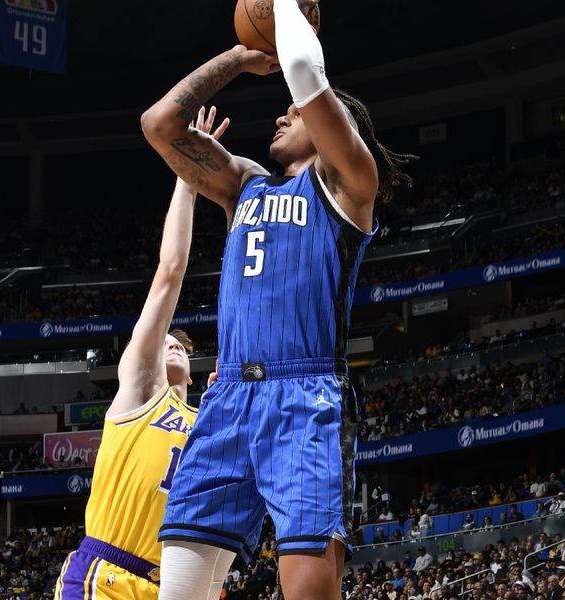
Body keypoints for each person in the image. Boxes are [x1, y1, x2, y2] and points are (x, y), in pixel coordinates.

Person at [140, 1, 414, 599]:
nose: (283, 115)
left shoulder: (349, 185)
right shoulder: (243, 184)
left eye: (299, 112)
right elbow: (158, 124)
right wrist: (238, 58)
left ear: (337, 127)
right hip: (228, 396)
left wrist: (284, 6)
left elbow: (301, 67)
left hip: (305, 399)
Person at [53, 109, 229, 600]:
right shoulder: (137, 392)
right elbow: (171, 270)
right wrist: (190, 178)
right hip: (107, 573)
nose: (171, 341)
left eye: (181, 341)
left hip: (173, 585)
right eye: (164, 339)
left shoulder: (203, 421)